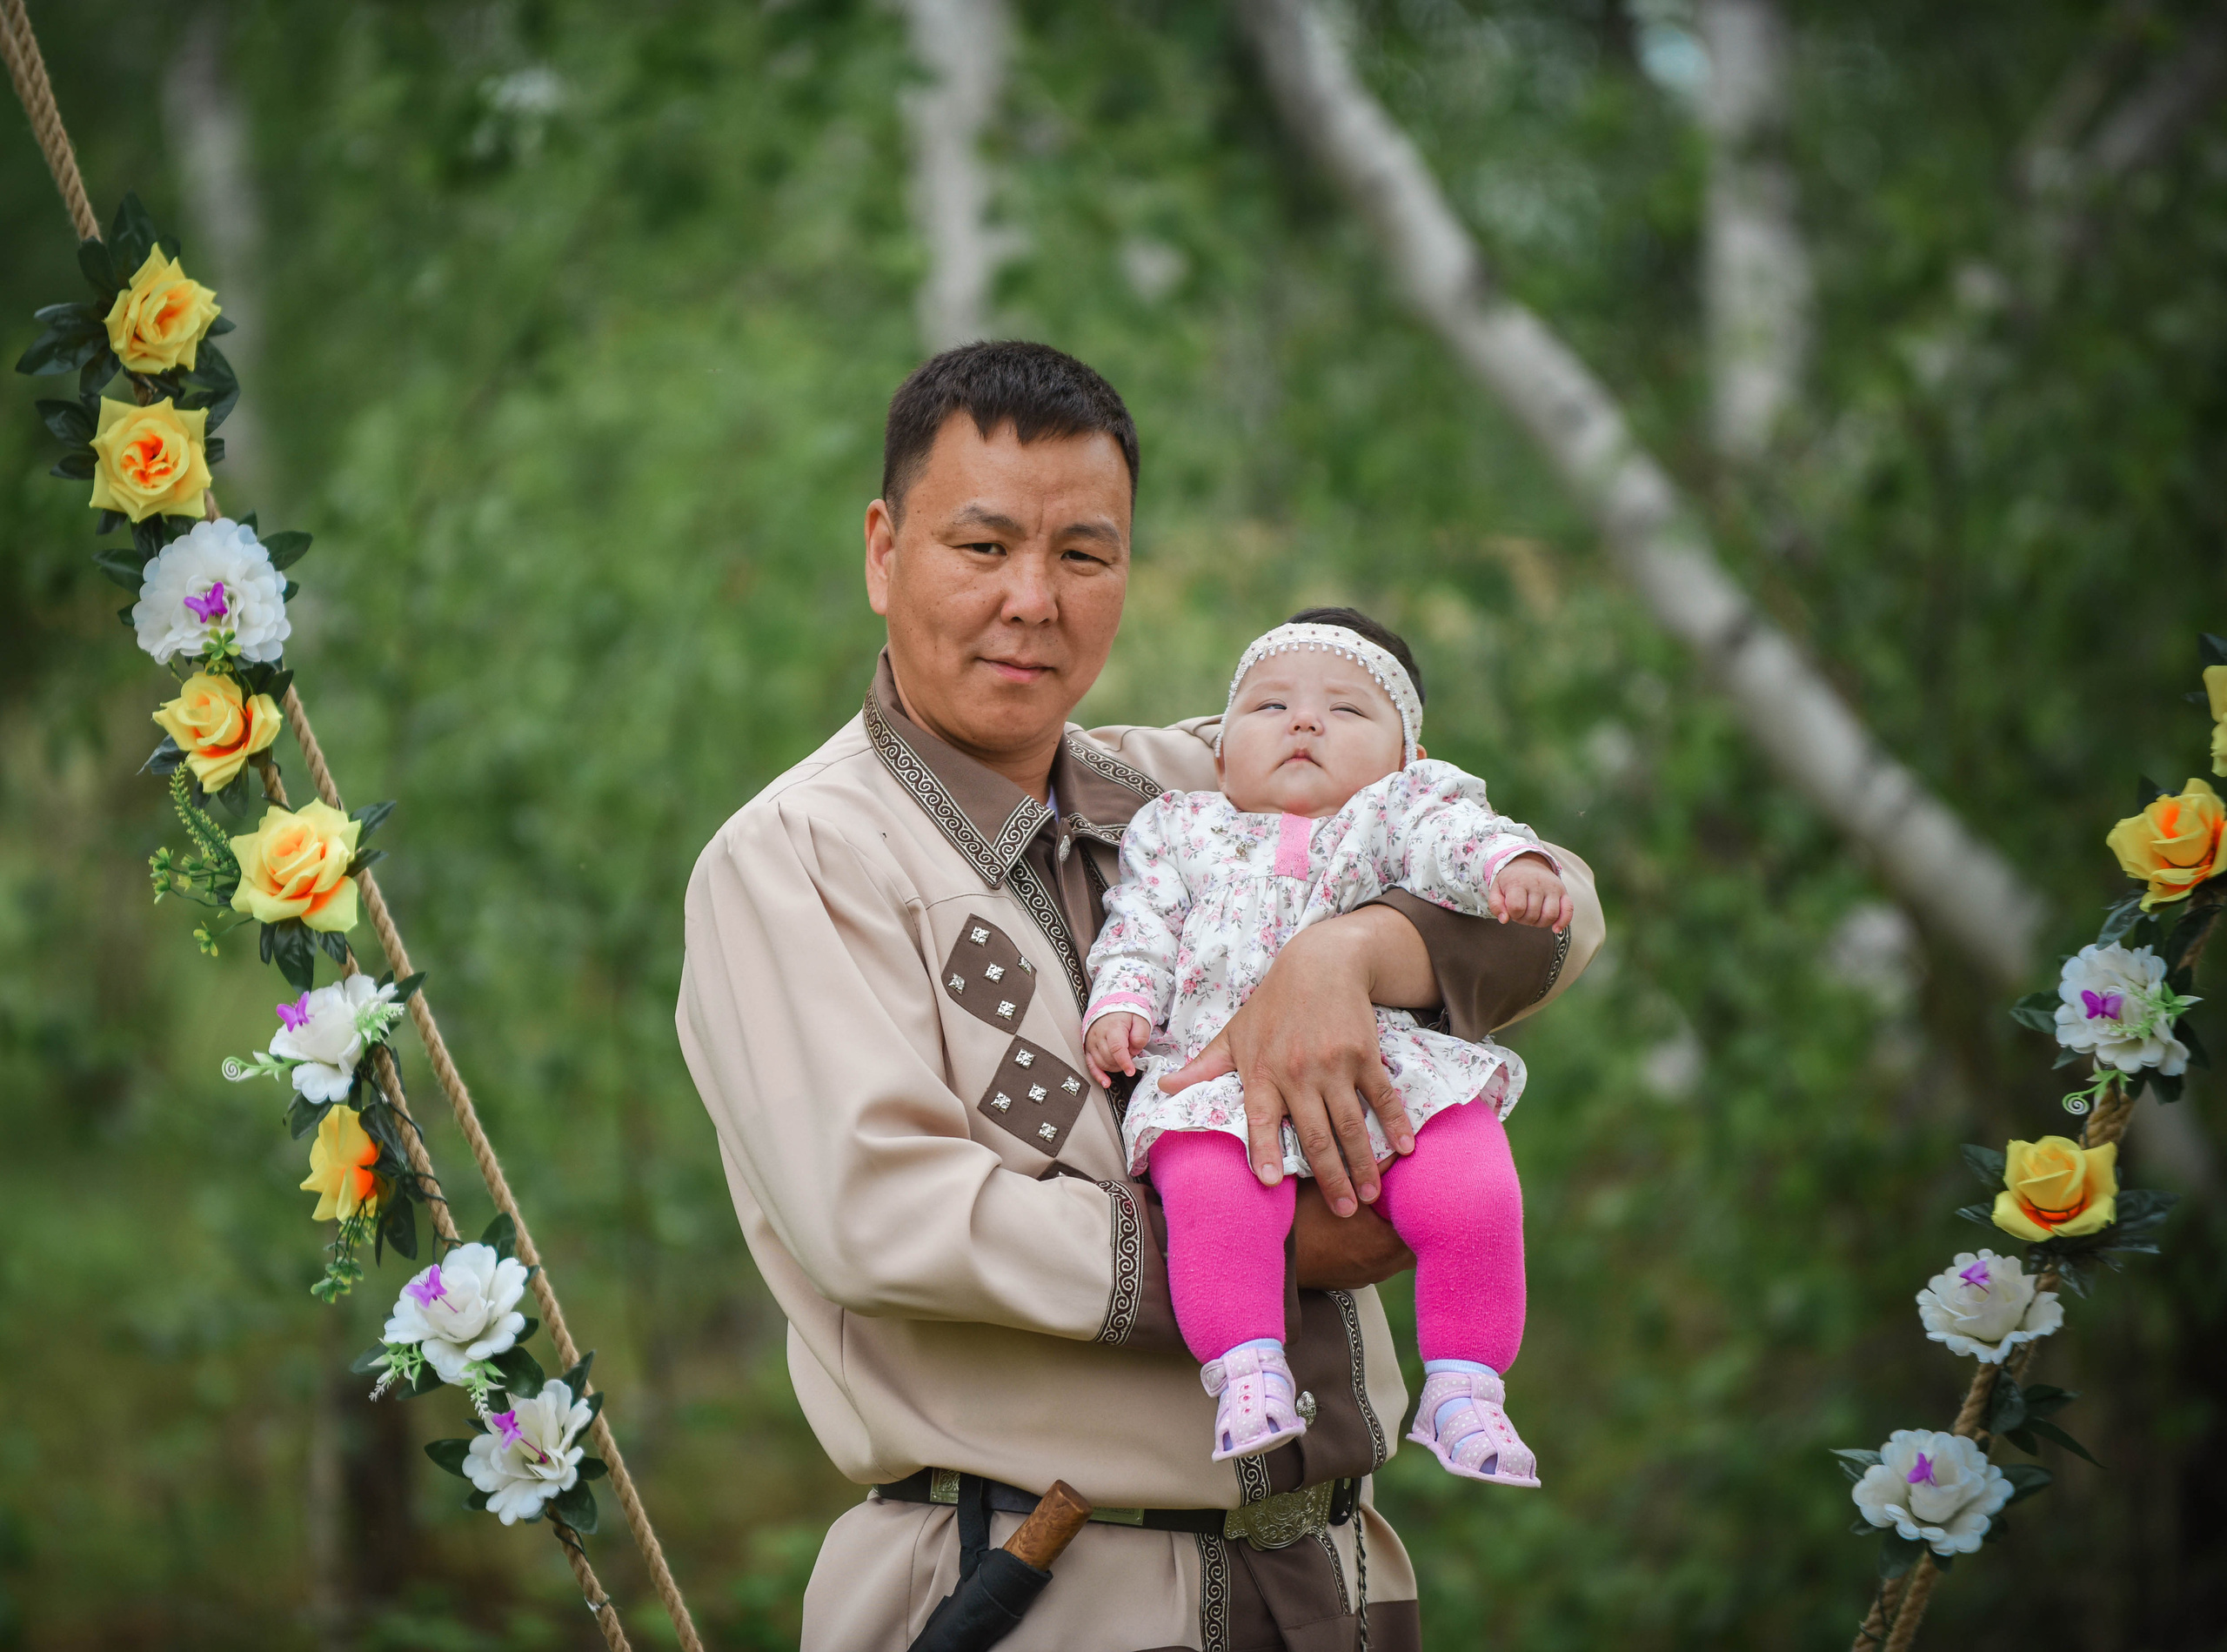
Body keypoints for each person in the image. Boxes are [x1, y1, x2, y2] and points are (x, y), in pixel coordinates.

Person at [676, 340, 1604, 1651]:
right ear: (884, 551)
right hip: (1032, 1589)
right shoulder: (798, 859)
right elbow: (872, 1211)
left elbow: (1556, 888)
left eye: (1084, 555)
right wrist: (1263, 1248)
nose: (1033, 602)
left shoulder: (1198, 790)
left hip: (1333, 1582)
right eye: (982, 546)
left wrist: (1345, 960)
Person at [1083, 614, 1565, 1488]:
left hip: (1382, 1070)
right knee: (1210, 1193)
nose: (1303, 723)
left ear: (1405, 759)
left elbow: (1457, 839)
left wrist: (1512, 863)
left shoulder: (1393, 814)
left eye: (1346, 711)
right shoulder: (1178, 830)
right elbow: (1138, 929)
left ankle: (1465, 1388)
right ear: (1221, 754)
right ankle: (1244, 1370)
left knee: (1473, 1182)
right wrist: (1120, 1006)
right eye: (1270, 706)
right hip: (1216, 1080)